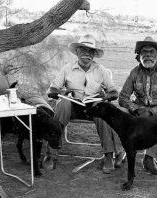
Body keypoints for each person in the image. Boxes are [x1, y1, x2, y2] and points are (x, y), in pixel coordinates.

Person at [47, 34, 124, 174]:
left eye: (90, 51)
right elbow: (51, 90)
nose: (87, 54)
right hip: (72, 106)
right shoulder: (67, 68)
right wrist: (64, 92)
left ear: (94, 54)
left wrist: (105, 96)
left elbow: (114, 93)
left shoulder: (101, 70)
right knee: (63, 104)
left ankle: (108, 157)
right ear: (77, 52)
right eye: (83, 50)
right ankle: (51, 154)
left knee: (102, 109)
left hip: (92, 107)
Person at [119, 36, 157, 175]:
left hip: (154, 111)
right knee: (120, 112)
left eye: (151, 52)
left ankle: (149, 159)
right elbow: (123, 97)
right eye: (144, 53)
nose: (148, 56)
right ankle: (119, 152)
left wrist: (151, 112)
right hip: (136, 109)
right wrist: (135, 109)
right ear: (139, 56)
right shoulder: (134, 73)